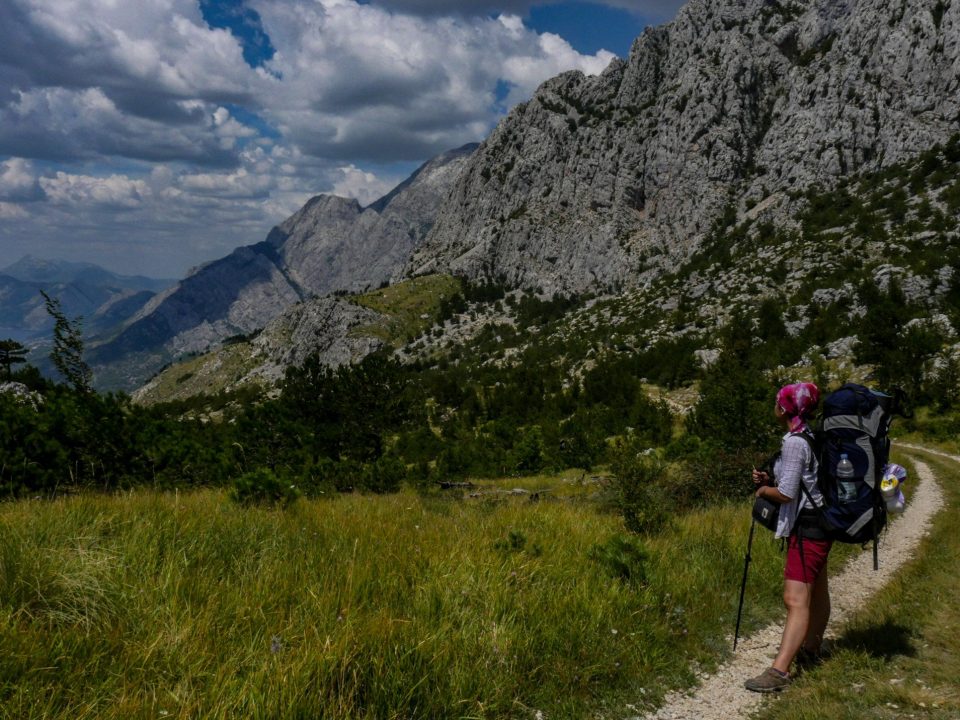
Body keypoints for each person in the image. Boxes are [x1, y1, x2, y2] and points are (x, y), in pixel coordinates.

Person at [744, 382, 830, 693]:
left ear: (783, 408)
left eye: (777, 402)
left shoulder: (794, 442)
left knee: (795, 599)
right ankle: (811, 649)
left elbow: (787, 493)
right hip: (820, 523)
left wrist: (764, 490)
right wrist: (770, 477)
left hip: (807, 527)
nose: (775, 406)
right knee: (816, 592)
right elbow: (803, 479)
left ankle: (779, 671)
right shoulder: (809, 435)